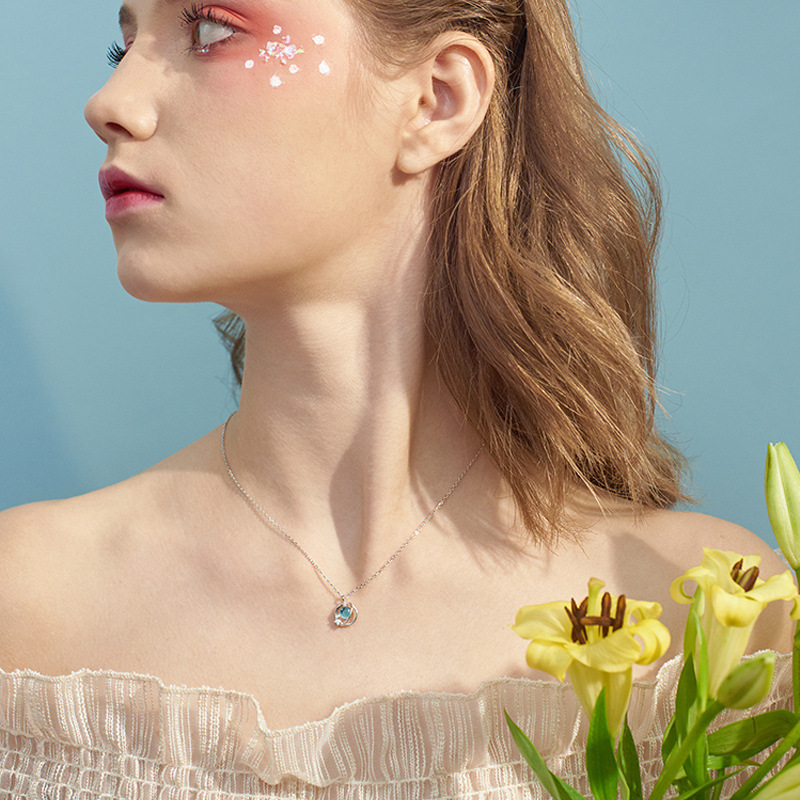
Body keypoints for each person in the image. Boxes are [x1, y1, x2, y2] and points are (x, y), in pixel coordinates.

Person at [0, 0, 793, 797]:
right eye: (124, 45)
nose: (109, 102)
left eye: (210, 30)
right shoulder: (24, 604)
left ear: (436, 99)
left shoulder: (715, 615)